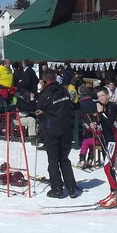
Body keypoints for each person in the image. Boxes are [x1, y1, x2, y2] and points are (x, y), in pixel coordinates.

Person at [36, 69, 79, 198]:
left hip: (51, 130)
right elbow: (71, 106)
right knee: (64, 159)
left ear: (44, 81)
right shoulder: (64, 90)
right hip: (65, 128)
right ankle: (71, 186)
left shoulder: (45, 94)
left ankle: (57, 189)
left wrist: (44, 116)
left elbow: (39, 111)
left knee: (53, 160)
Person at [91, 87, 117, 208]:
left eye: (102, 96)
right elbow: (102, 124)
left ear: (108, 95)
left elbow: (110, 123)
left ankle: (115, 195)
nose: (100, 98)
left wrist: (100, 113)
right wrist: (95, 123)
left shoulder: (112, 107)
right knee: (109, 168)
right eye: (98, 97)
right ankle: (113, 192)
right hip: (107, 139)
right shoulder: (103, 108)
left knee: (107, 167)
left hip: (113, 140)